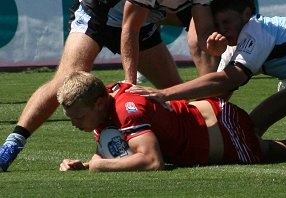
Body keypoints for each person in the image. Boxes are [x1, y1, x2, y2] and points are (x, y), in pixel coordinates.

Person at [0, 0, 193, 172]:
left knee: (177, 93)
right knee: (65, 79)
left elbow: (195, 30)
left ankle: (196, 138)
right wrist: (129, 82)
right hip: (99, 13)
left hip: (138, 23)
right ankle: (12, 143)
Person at [57, 71, 286, 172]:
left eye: (78, 117)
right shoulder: (105, 97)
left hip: (226, 136)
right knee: (255, 128)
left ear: (98, 104)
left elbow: (152, 161)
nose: (74, 124)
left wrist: (99, 166)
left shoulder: (125, 110)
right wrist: (87, 164)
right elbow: (117, 148)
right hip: (213, 118)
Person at [126, 0, 286, 103]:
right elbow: (216, 97)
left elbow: (227, 80)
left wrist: (165, 94)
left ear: (246, 14)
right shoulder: (234, 46)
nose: (222, 30)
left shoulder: (255, 31)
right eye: (217, 25)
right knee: (253, 126)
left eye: (226, 22)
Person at [120, 0, 226, 83]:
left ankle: (211, 100)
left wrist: (213, 49)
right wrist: (130, 80)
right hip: (131, 11)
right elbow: (131, 28)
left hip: (185, 7)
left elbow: (204, 32)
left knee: (198, 44)